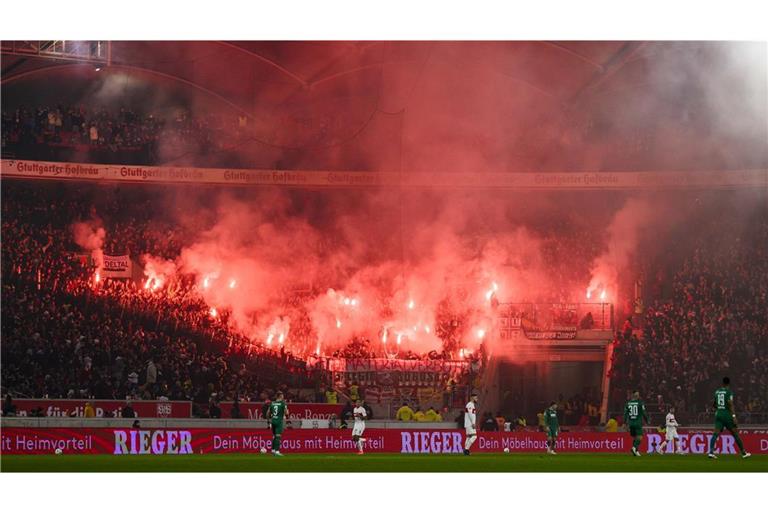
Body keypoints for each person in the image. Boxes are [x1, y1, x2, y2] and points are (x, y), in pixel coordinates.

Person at [707, 377, 751, 459]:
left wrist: (717, 409)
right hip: (726, 415)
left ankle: (711, 452)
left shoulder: (717, 392)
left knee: (715, 433)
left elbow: (714, 405)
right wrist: (734, 416)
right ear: (728, 384)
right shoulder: (729, 392)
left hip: (718, 414)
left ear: (722, 383)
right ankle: (744, 453)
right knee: (735, 433)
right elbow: (730, 404)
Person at [624, 391, 649, 456]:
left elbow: (625, 414)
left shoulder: (628, 403)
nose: (638, 395)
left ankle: (636, 451)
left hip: (631, 423)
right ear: (636, 395)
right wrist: (647, 420)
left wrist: (624, 423)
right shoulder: (640, 403)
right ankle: (634, 448)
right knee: (640, 437)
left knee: (635, 437)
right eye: (637, 394)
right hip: (637, 423)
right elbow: (644, 413)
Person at [267, 391, 289, 456]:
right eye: (282, 395)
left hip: (273, 421)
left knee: (274, 436)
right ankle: (277, 451)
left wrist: (268, 421)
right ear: (280, 396)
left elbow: (268, 413)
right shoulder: (283, 403)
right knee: (278, 436)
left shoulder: (272, 403)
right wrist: (287, 411)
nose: (283, 396)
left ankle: (273, 450)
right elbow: (286, 413)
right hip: (279, 421)